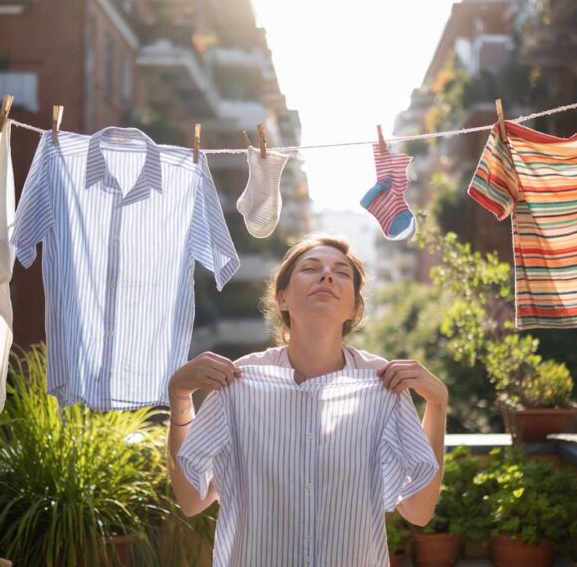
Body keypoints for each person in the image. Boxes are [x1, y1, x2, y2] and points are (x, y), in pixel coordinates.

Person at [166, 235, 448, 565]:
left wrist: (437, 405)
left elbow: (418, 510)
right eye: (311, 268)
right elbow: (191, 500)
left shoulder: (384, 387)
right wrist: (179, 398)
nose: (327, 275)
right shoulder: (238, 382)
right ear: (282, 297)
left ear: (354, 307)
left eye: (342, 272)